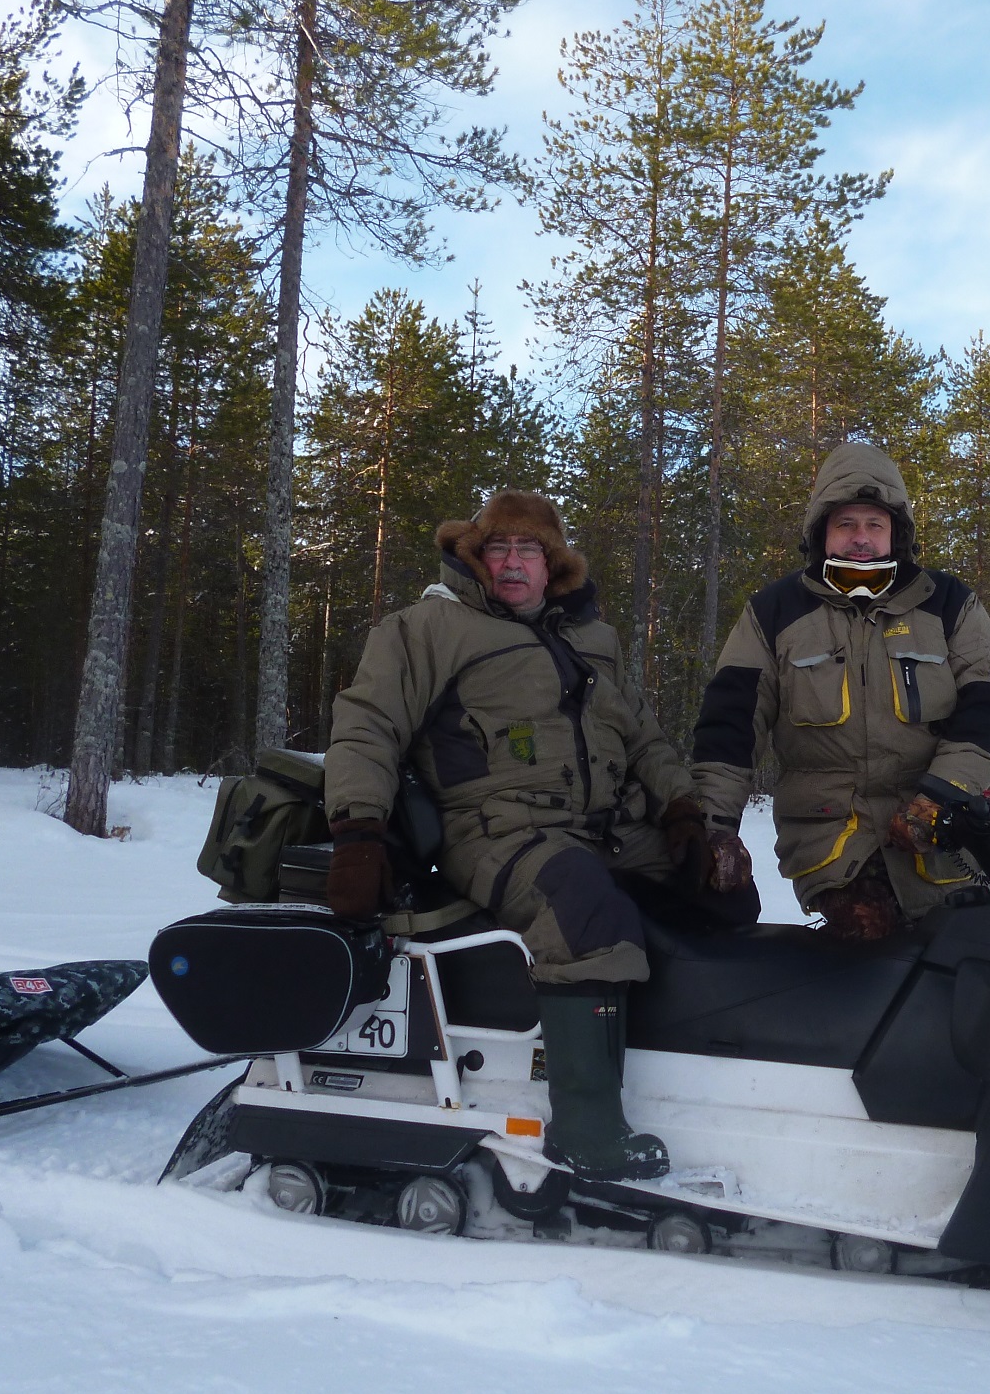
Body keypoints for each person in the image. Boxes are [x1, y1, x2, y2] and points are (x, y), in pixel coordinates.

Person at [323, 489, 754, 1181]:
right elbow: (367, 726)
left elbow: (644, 737)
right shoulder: (427, 627)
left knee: (724, 895)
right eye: (499, 548)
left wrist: (682, 812)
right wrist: (358, 829)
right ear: (477, 557)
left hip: (605, 829)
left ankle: (679, 1060)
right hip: (494, 829)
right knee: (584, 911)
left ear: (553, 566)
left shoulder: (592, 640)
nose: (514, 562)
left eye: (530, 550)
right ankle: (586, 1126)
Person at [691, 442, 990, 940]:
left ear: (896, 534)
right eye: (846, 524)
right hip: (833, 838)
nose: (861, 538)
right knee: (872, 940)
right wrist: (715, 829)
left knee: (978, 951)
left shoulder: (950, 605)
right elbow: (730, 725)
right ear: (821, 532)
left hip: (941, 829)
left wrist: (941, 797)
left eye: (874, 525)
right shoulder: (773, 613)